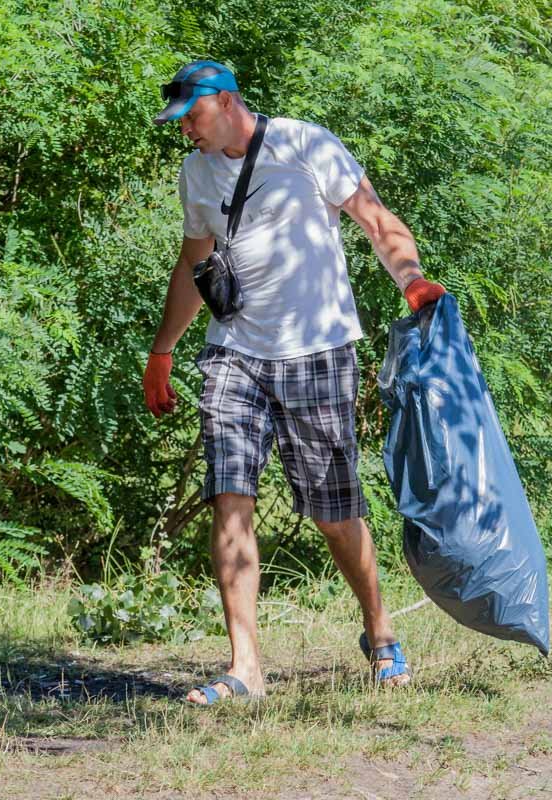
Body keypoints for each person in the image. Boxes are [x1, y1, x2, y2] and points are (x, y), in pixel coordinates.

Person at [143, 60, 446, 705]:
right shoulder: (196, 172)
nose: (186, 131)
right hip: (234, 354)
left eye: (192, 117)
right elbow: (195, 261)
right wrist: (163, 349)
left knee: (335, 514)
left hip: (316, 351)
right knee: (230, 495)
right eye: (180, 122)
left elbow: (375, 220)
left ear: (227, 101)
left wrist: (412, 281)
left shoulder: (305, 145)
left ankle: (381, 633)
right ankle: (245, 668)